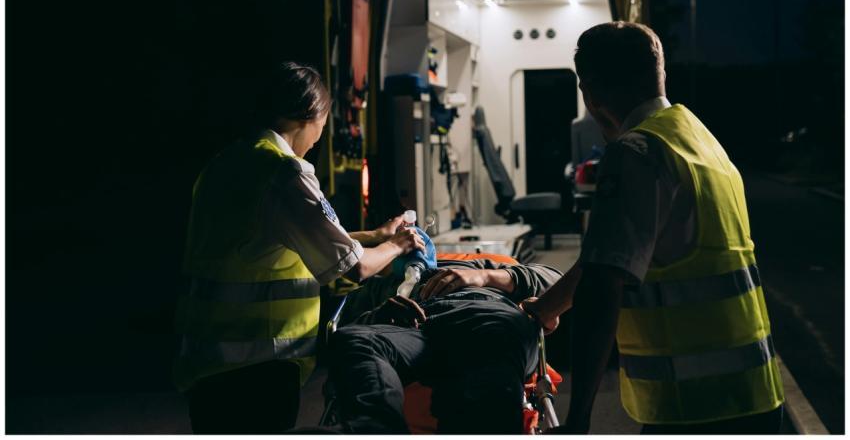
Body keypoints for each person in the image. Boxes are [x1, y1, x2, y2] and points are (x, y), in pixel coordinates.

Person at [522, 22, 785, 434]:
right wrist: (545, 309)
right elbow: (612, 256)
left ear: (588, 89)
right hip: (754, 391)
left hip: (693, 406)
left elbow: (601, 287)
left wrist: (578, 418)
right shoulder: (699, 140)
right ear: (659, 74)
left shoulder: (636, 153)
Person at [173, 61, 425, 433]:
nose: (321, 136)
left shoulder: (226, 164)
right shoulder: (283, 173)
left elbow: (269, 243)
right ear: (311, 114)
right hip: (259, 366)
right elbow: (354, 268)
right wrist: (400, 244)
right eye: (323, 123)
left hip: (207, 362)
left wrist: (373, 236)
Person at [326, 256, 563, 434]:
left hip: (485, 318)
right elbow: (347, 323)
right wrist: (380, 314)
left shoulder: (480, 266)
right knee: (354, 338)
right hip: (415, 329)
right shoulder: (384, 284)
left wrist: (482, 277)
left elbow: (554, 279)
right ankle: (376, 425)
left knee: (488, 370)